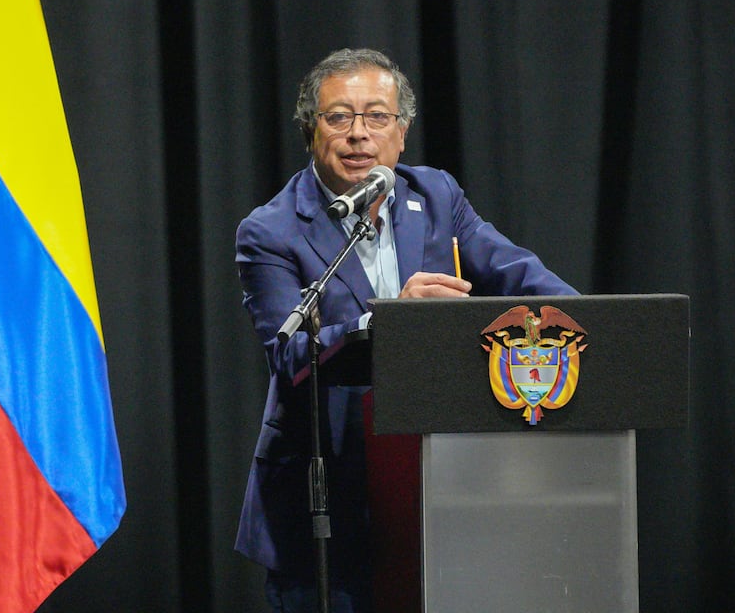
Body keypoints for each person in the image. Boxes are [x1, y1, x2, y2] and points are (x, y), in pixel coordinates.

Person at [234, 48, 576, 612]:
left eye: (377, 117)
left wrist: (585, 320)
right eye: (338, 117)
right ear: (309, 131)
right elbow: (290, 354)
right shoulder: (270, 230)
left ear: (402, 132)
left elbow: (517, 271)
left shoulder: (435, 195)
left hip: (438, 483)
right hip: (328, 488)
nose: (358, 135)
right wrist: (389, 319)